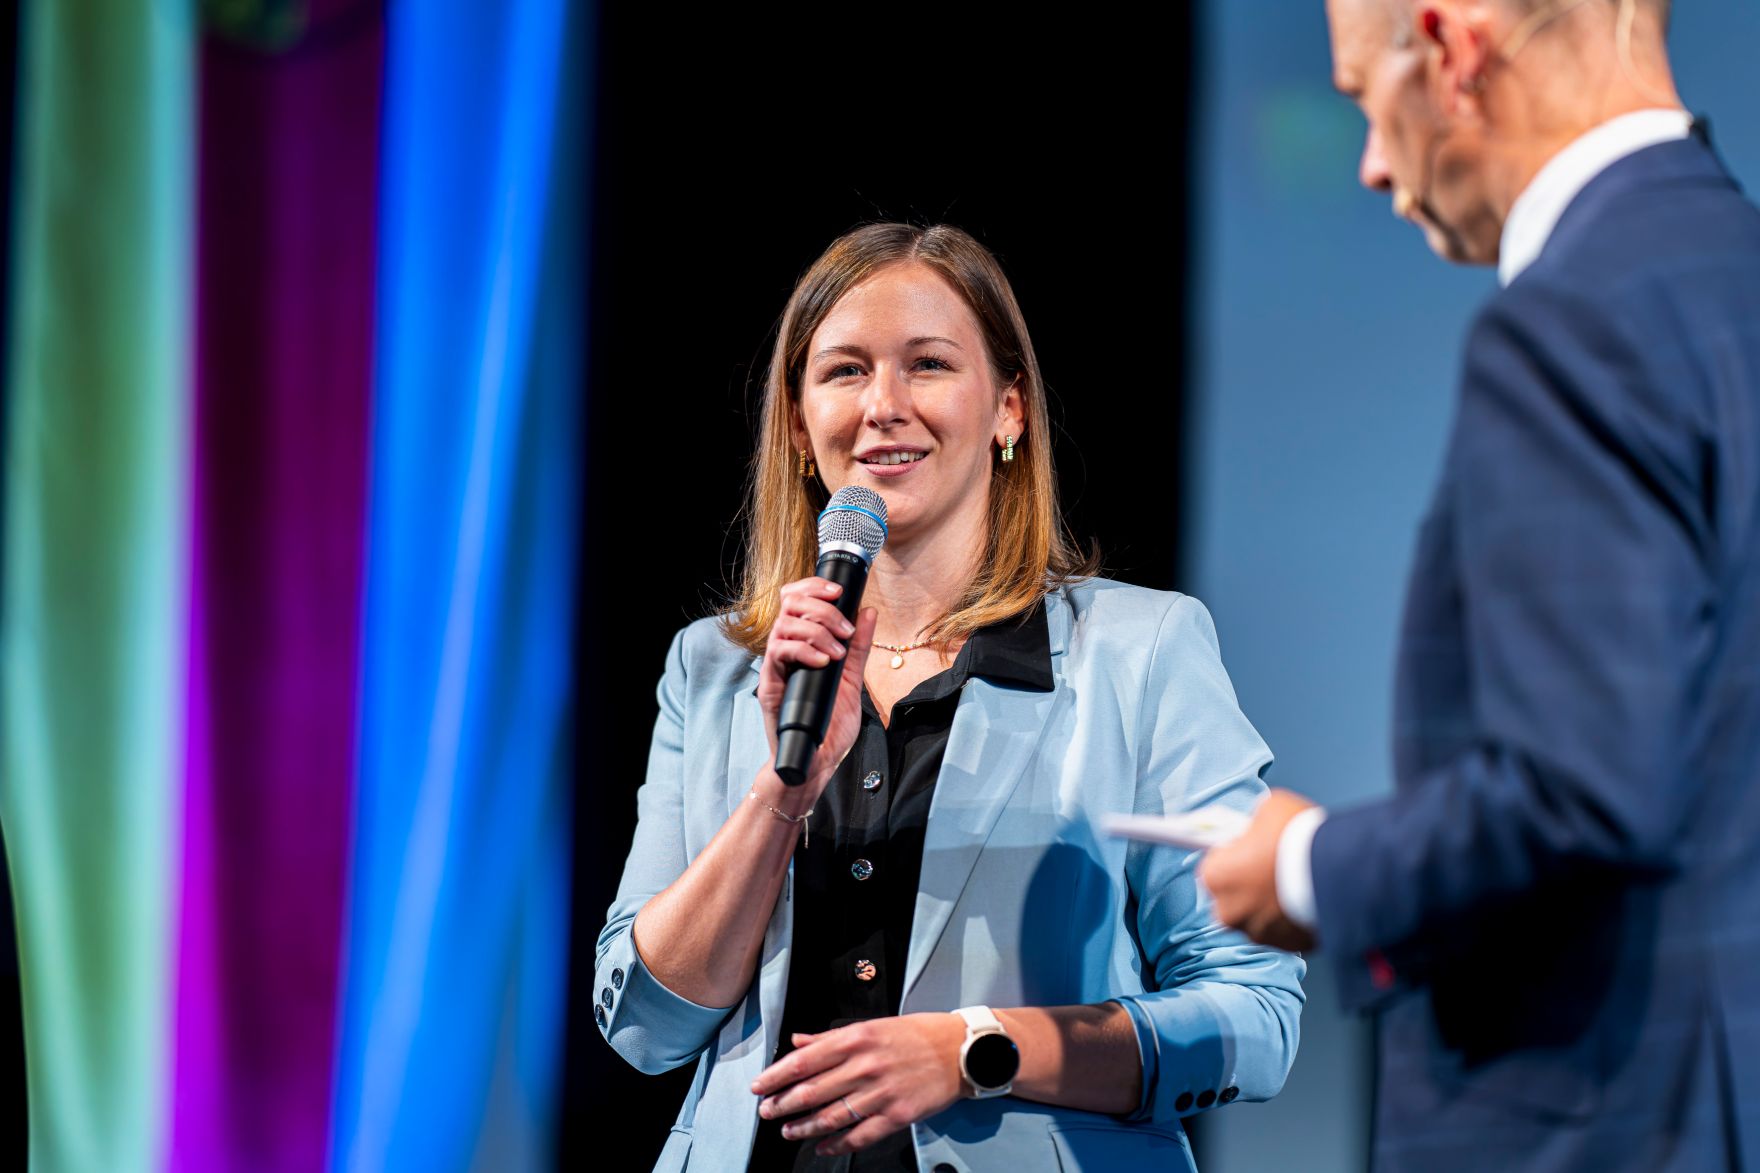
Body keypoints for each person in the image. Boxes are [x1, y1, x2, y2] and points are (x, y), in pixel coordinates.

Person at [594, 223, 1303, 1171]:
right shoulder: (715, 669)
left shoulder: (1141, 652)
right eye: (844, 372)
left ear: (1008, 410)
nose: (884, 405)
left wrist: (974, 1048)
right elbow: (642, 1023)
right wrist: (780, 795)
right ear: (801, 428)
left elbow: (1255, 1015)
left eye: (927, 364)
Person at [1200, 1, 1760, 1169]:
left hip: (1601, 1121)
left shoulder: (1569, 322)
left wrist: (1304, 867)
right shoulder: (1726, 280)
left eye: (1363, 96)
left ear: (1451, 51)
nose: (1365, 162)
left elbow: (1578, 789)